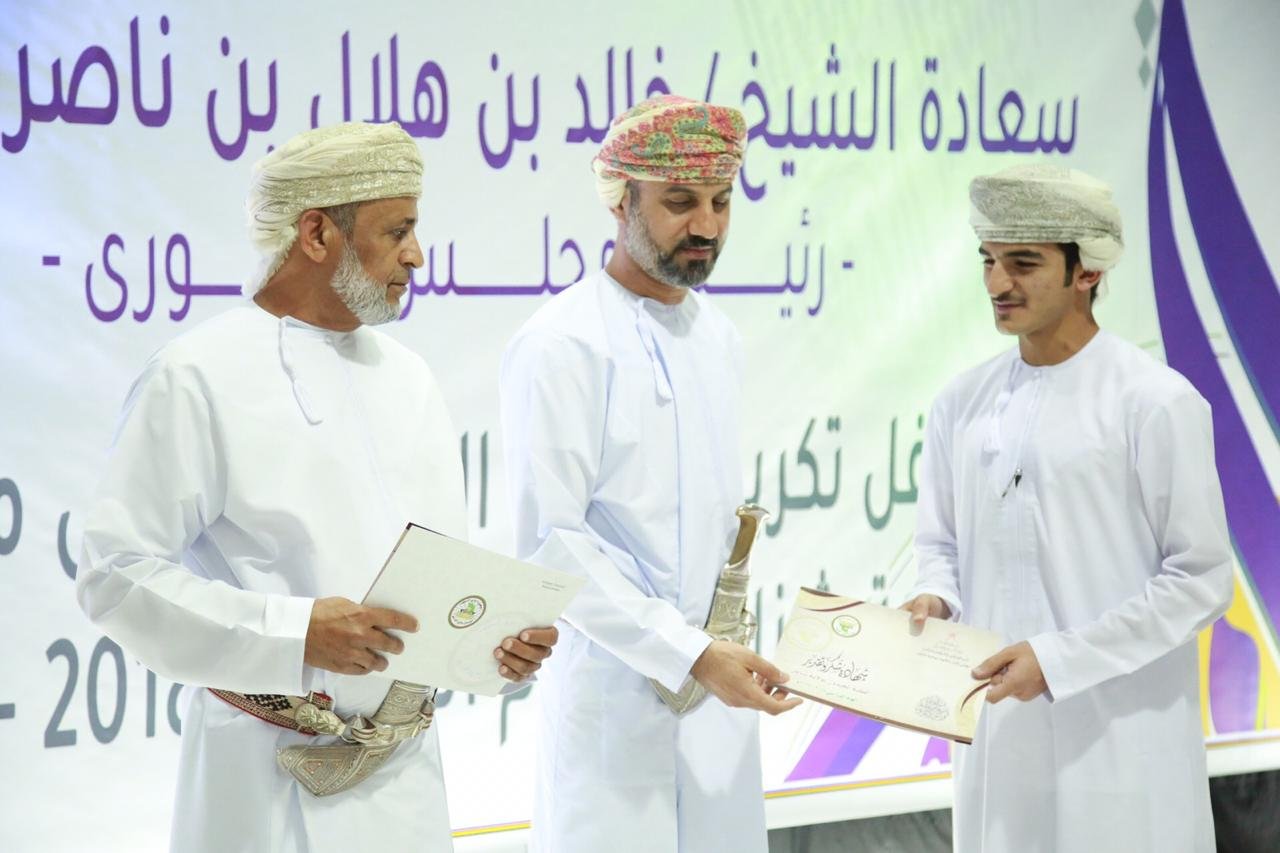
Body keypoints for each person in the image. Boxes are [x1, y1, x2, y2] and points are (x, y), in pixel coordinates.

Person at [76, 121, 557, 853]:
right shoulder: (196, 374)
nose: (416, 254)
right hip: (264, 780)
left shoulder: (409, 376)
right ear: (316, 234)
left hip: (408, 783)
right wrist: (295, 631)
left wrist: (496, 647)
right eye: (396, 231)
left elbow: (432, 590)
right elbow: (114, 575)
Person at [499, 94, 801, 853]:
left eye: (721, 201)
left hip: (719, 699)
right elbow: (551, 543)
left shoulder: (718, 337)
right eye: (679, 202)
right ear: (621, 199)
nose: (706, 226)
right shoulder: (561, 343)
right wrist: (685, 649)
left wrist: (712, 653)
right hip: (615, 704)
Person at [903, 163, 1233, 852]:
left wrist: (1060, 660)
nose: (997, 284)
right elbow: (939, 544)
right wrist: (935, 597)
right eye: (988, 260)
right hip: (998, 743)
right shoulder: (959, 405)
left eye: (1023, 263)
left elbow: (1200, 579)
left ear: (1088, 271)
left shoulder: (1154, 402)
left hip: (1121, 742)